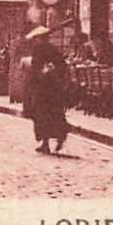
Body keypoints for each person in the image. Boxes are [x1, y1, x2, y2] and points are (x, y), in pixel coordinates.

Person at [23, 26, 70, 154]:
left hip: (41, 87)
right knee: (55, 113)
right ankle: (59, 138)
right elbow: (63, 65)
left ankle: (45, 143)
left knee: (40, 114)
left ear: (39, 38)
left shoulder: (38, 49)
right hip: (53, 87)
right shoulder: (53, 49)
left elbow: (35, 68)